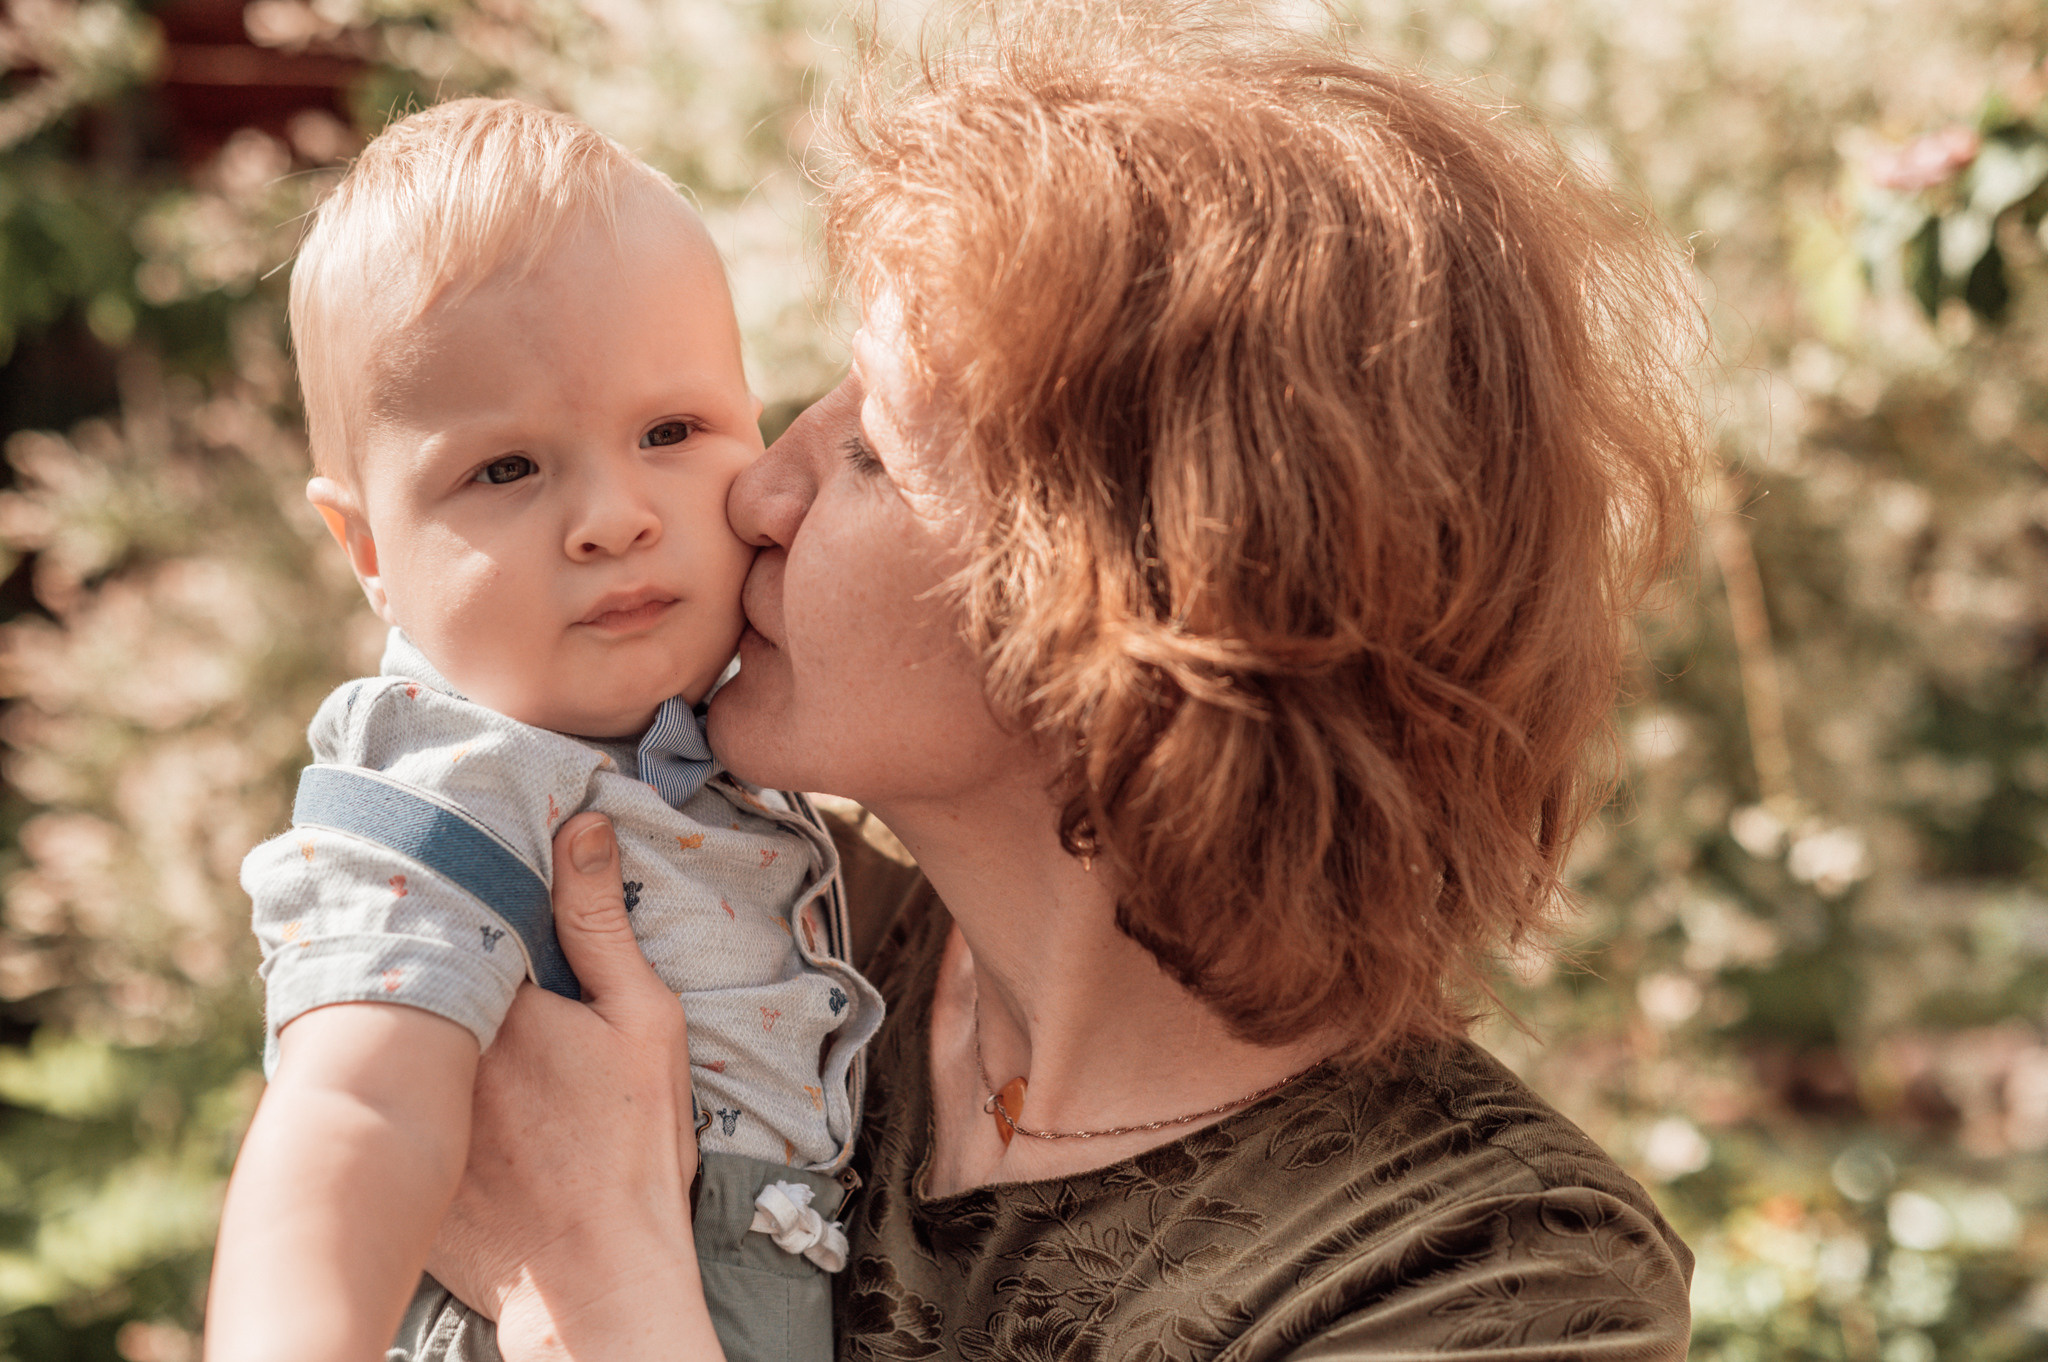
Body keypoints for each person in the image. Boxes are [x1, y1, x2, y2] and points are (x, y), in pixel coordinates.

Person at [398, 6, 1705, 1358]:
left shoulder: (1482, 1280)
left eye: (872, 456)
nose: (762, 487)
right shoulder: (727, 933)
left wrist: (584, 1287)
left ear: (1142, 601)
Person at [206, 99, 883, 1362]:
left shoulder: (718, 748)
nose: (614, 516)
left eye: (670, 434)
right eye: (506, 470)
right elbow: (352, 1115)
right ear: (364, 548)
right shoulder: (453, 789)